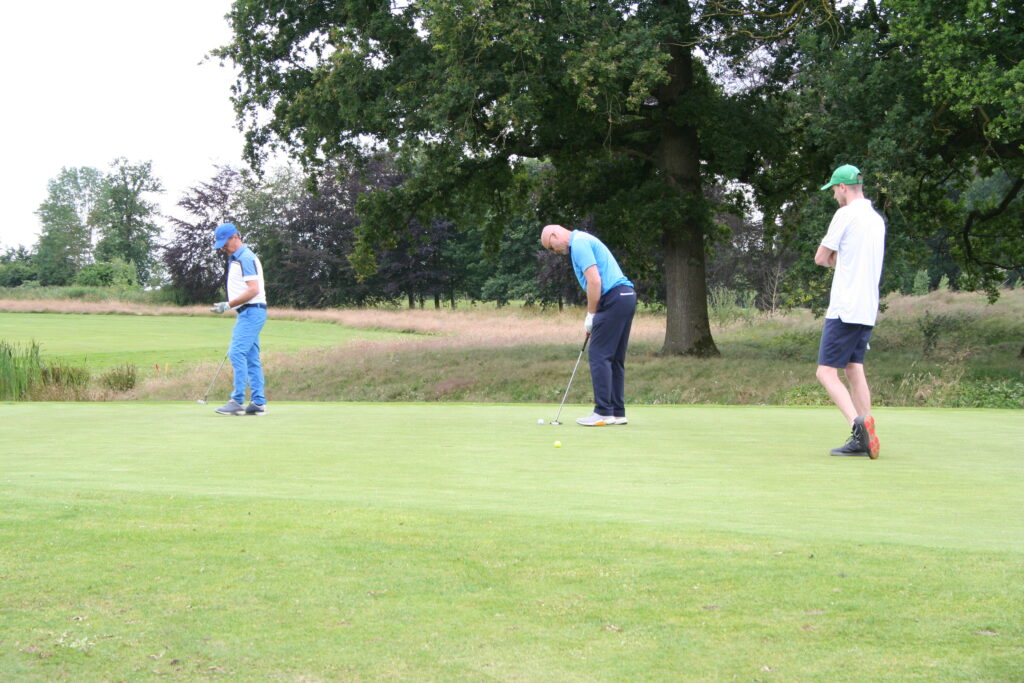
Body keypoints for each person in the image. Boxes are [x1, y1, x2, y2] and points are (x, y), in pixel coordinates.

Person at [814, 164, 886, 458]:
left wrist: (837, 258)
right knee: (854, 367)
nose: (834, 195)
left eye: (834, 189)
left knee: (825, 372)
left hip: (844, 307)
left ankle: (858, 430)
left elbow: (821, 257)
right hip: (867, 307)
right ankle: (867, 430)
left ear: (843, 187)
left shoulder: (845, 214)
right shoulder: (876, 219)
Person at [541, 224, 636, 426]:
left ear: (554, 235)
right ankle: (617, 412)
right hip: (626, 296)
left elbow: (594, 281)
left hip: (613, 298)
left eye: (551, 246)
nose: (554, 252)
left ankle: (603, 412)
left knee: (599, 355)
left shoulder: (579, 244)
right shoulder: (583, 240)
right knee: (614, 358)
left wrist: (591, 314)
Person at [210, 222, 268, 416]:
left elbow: (253, 289)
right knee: (251, 357)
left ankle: (237, 401)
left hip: (252, 311)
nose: (223, 249)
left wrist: (228, 305)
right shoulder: (237, 258)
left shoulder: (246, 258)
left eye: (225, 244)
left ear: (235, 237)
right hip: (248, 312)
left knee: (236, 353)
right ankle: (258, 403)